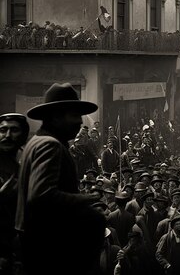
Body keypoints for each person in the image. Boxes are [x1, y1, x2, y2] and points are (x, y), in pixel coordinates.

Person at [16, 83, 105, 275]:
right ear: (56, 117)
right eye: (74, 115)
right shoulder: (50, 145)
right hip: (46, 244)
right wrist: (86, 198)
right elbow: (41, 196)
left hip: (33, 240)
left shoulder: (36, 142)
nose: (80, 122)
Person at [0, 113, 29, 275]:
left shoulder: (28, 162)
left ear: (23, 135)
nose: (7, 135)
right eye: (3, 130)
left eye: (14, 130)